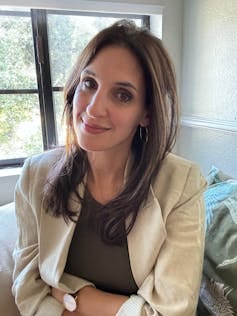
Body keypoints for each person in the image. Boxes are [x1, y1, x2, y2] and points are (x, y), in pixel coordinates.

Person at [12, 19, 206, 316]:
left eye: (122, 94)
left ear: (146, 114)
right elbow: (27, 287)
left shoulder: (182, 184)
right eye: (89, 83)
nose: (92, 109)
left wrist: (82, 297)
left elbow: (173, 311)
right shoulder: (34, 175)